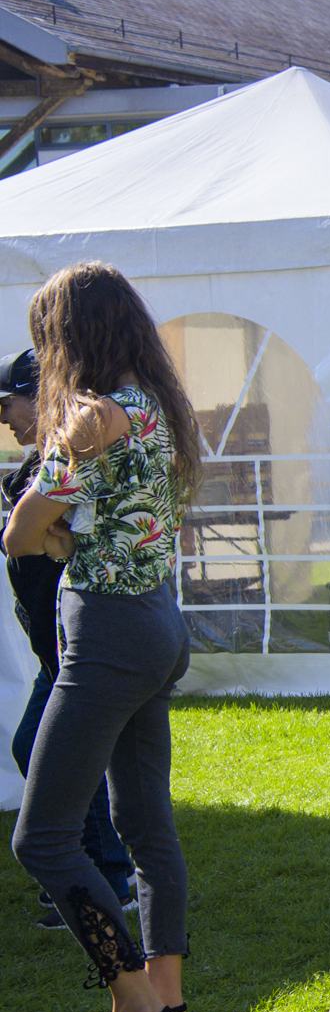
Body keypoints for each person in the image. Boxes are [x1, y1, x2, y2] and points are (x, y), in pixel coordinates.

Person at [5, 262, 199, 1012]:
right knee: (144, 825)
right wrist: (65, 535)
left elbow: (19, 530)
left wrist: (53, 533)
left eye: (46, 337)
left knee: (42, 836)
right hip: (154, 623)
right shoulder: (153, 404)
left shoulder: (91, 416)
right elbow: (74, 525)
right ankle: (168, 1004)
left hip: (112, 639)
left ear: (72, 338)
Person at [0, 349, 138, 930]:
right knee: (67, 755)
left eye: (9, 405)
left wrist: (23, 524)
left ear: (42, 395)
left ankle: (102, 876)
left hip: (79, 640)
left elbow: (24, 538)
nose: (6, 421)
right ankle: (106, 873)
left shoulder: (74, 454)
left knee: (45, 750)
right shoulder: (40, 463)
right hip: (59, 643)